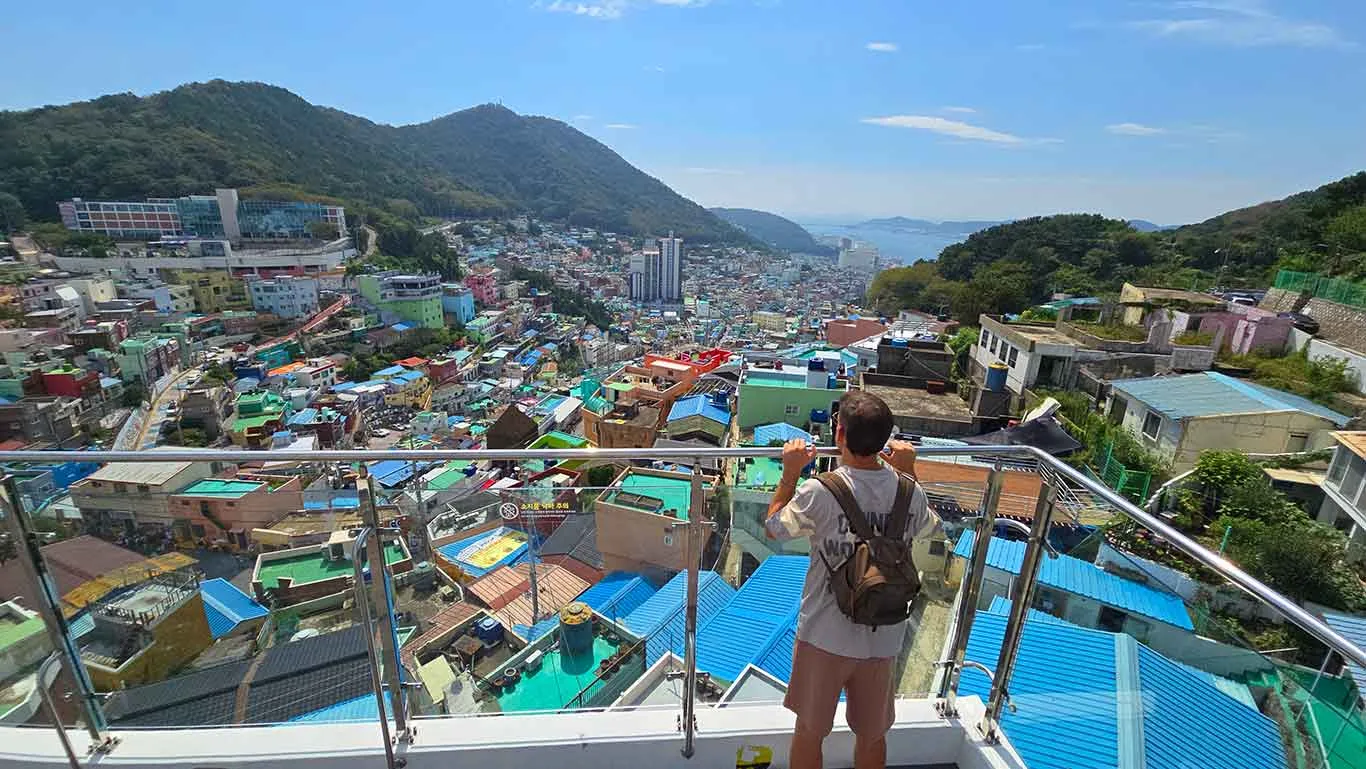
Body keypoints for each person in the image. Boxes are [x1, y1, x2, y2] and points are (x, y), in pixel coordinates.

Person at [765, 390, 940, 769]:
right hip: (884, 634)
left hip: (824, 634)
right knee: (873, 735)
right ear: (885, 441)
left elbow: (774, 529)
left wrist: (790, 472)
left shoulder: (820, 491)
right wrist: (908, 471)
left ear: (839, 435)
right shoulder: (910, 492)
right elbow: (929, 528)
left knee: (810, 731)